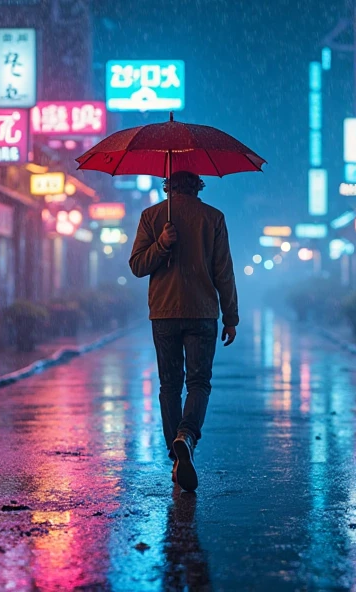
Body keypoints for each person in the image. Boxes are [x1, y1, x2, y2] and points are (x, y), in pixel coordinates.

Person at [129, 171, 238, 492]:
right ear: (198, 187)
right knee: (199, 382)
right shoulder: (213, 218)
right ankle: (186, 436)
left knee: (169, 385)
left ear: (167, 187)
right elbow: (224, 271)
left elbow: (137, 265)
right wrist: (231, 316)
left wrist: (159, 245)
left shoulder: (150, 216)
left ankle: (176, 457)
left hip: (163, 313)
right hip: (203, 313)